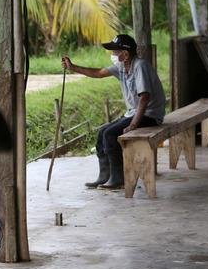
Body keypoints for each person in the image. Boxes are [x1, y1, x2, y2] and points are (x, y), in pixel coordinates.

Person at [61, 34, 165, 190]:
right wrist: (73, 67)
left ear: (125, 54)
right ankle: (105, 176)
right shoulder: (122, 67)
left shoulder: (140, 66)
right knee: (102, 132)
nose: (113, 55)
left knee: (110, 134)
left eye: (115, 52)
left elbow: (144, 98)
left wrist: (133, 125)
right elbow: (98, 73)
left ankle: (118, 179)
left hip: (149, 115)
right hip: (133, 113)